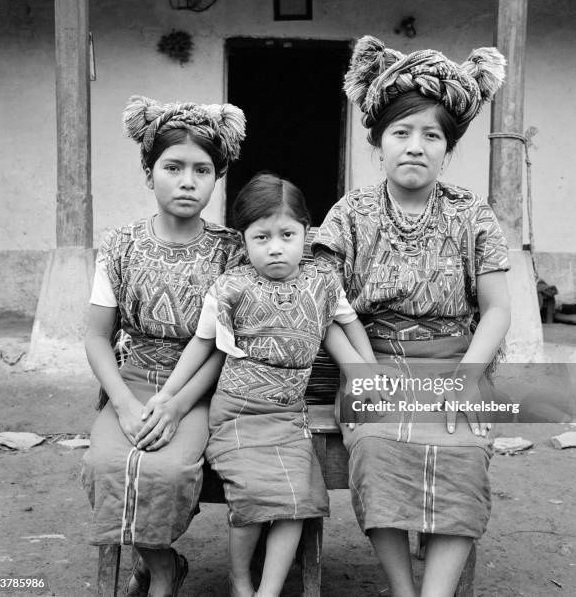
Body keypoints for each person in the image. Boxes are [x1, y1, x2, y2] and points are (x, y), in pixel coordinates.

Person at [312, 36, 512, 597]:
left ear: (447, 147)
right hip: (373, 362)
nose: (415, 146)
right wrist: (357, 373)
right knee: (376, 448)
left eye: (432, 135)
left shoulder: (471, 212)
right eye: (401, 133)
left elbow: (497, 310)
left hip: (455, 363)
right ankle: (403, 588)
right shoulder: (350, 213)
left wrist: (469, 380)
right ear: (378, 142)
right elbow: (323, 303)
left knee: (465, 452)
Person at [146, 173, 372, 597]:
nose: (275, 247)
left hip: (288, 417)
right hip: (238, 413)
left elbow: (345, 324)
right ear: (243, 239)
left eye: (287, 234)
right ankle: (241, 580)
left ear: (306, 231)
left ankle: (268, 591)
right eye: (261, 236)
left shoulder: (321, 282)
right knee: (250, 502)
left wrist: (369, 375)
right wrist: (167, 394)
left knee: (295, 502)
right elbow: (202, 342)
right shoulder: (232, 286)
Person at [82, 94, 246, 597]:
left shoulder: (230, 250)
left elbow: (222, 347)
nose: (187, 180)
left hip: (199, 388)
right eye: (172, 166)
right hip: (132, 379)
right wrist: (126, 405)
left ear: (217, 178)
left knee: (172, 467)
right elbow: (95, 335)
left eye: (202, 169)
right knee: (104, 465)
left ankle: (157, 572)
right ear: (149, 173)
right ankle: (161, 565)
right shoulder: (122, 245)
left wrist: (175, 405)